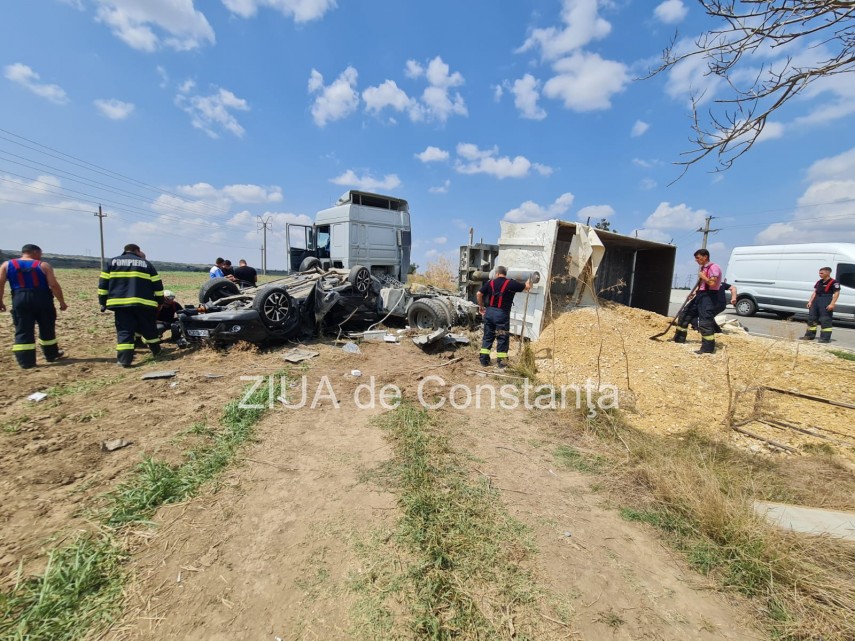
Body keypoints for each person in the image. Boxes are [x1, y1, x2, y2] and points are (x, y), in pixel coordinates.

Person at [0, 244, 68, 369]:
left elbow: (0, 283)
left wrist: (0, 301)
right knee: (47, 327)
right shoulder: (43, 265)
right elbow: (53, 285)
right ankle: (51, 355)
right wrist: (61, 302)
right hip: (42, 299)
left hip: (20, 299)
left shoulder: (7, 265)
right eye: (40, 253)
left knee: (23, 329)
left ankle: (26, 361)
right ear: (35, 252)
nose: (40, 256)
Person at [99, 244, 163, 367]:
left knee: (124, 331)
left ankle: (124, 360)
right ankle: (157, 351)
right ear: (137, 251)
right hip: (143, 303)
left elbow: (103, 284)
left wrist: (102, 302)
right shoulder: (146, 264)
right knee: (149, 328)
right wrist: (159, 301)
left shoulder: (112, 262)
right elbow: (158, 285)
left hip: (121, 304)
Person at [476, 266, 532, 368]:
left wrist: (481, 306)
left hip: (489, 314)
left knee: (488, 337)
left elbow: (479, 293)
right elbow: (527, 287)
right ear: (505, 274)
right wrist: (529, 280)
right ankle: (501, 363)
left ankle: (484, 361)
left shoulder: (490, 283)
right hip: (501, 317)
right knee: (502, 337)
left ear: (497, 274)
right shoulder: (511, 283)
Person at [691, 249, 721, 354]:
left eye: (698, 258)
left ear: (705, 257)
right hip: (701, 294)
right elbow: (702, 285)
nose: (696, 260)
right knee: (686, 314)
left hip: (709, 296)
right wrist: (694, 292)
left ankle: (707, 348)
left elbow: (712, 283)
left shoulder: (714, 268)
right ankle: (679, 338)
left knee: (705, 321)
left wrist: (703, 277)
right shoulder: (704, 268)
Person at [801, 266, 840, 343]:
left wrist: (832, 304)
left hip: (826, 300)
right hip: (816, 301)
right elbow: (815, 292)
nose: (819, 274)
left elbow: (836, 293)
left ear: (827, 273)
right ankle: (809, 335)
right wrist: (810, 302)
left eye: (821, 273)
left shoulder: (834, 283)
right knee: (812, 318)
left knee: (825, 319)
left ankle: (825, 338)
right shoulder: (819, 282)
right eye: (819, 273)